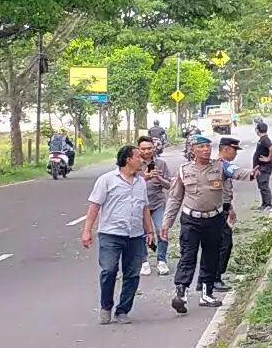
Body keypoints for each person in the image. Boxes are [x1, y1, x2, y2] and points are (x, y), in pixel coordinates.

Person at [80, 144, 156, 325]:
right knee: (108, 270)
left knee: (132, 273)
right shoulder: (106, 180)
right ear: (128, 159)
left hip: (135, 235)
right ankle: (106, 307)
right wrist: (86, 230)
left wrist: (150, 230)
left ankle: (123, 310)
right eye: (138, 156)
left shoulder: (140, 182)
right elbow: (94, 206)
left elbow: (144, 207)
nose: (142, 159)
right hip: (111, 234)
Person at [165, 135, 232, 312]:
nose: (206, 150)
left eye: (208, 146)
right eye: (201, 147)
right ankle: (181, 293)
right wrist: (166, 223)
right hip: (190, 220)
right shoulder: (183, 170)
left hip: (214, 218)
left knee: (211, 256)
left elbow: (237, 173)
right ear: (192, 149)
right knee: (188, 255)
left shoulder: (220, 167)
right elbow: (174, 199)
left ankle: (206, 293)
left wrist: (251, 174)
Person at [136, 137, 174, 275]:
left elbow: (169, 185)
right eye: (143, 149)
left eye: (149, 148)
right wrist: (144, 177)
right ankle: (144, 261)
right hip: (139, 204)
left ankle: (161, 260)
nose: (147, 151)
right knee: (140, 233)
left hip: (157, 202)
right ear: (138, 149)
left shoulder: (161, 164)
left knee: (161, 230)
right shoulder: (135, 164)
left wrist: (158, 178)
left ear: (154, 148)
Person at [212, 136, 243, 291]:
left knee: (222, 243)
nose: (235, 153)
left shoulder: (224, 165)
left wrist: (230, 207)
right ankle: (214, 278)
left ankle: (212, 277)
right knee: (223, 244)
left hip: (223, 208)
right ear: (225, 149)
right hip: (216, 211)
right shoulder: (220, 165)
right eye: (234, 150)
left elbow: (224, 191)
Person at [250, 119, 272, 211]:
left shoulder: (265, 139)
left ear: (257, 130)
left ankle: (268, 204)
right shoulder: (263, 139)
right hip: (260, 167)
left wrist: (268, 158)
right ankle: (264, 203)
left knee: (264, 185)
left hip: (264, 167)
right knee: (261, 185)